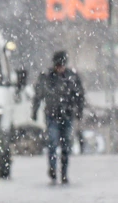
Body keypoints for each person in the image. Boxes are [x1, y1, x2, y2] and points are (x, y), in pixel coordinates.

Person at [32, 50, 85, 184]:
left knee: (66, 145)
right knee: (53, 142)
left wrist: (79, 110)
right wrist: (34, 110)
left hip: (67, 115)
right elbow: (38, 95)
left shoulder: (71, 77)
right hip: (52, 115)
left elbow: (79, 95)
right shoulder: (47, 77)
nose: (60, 68)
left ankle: (64, 172)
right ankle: (53, 168)